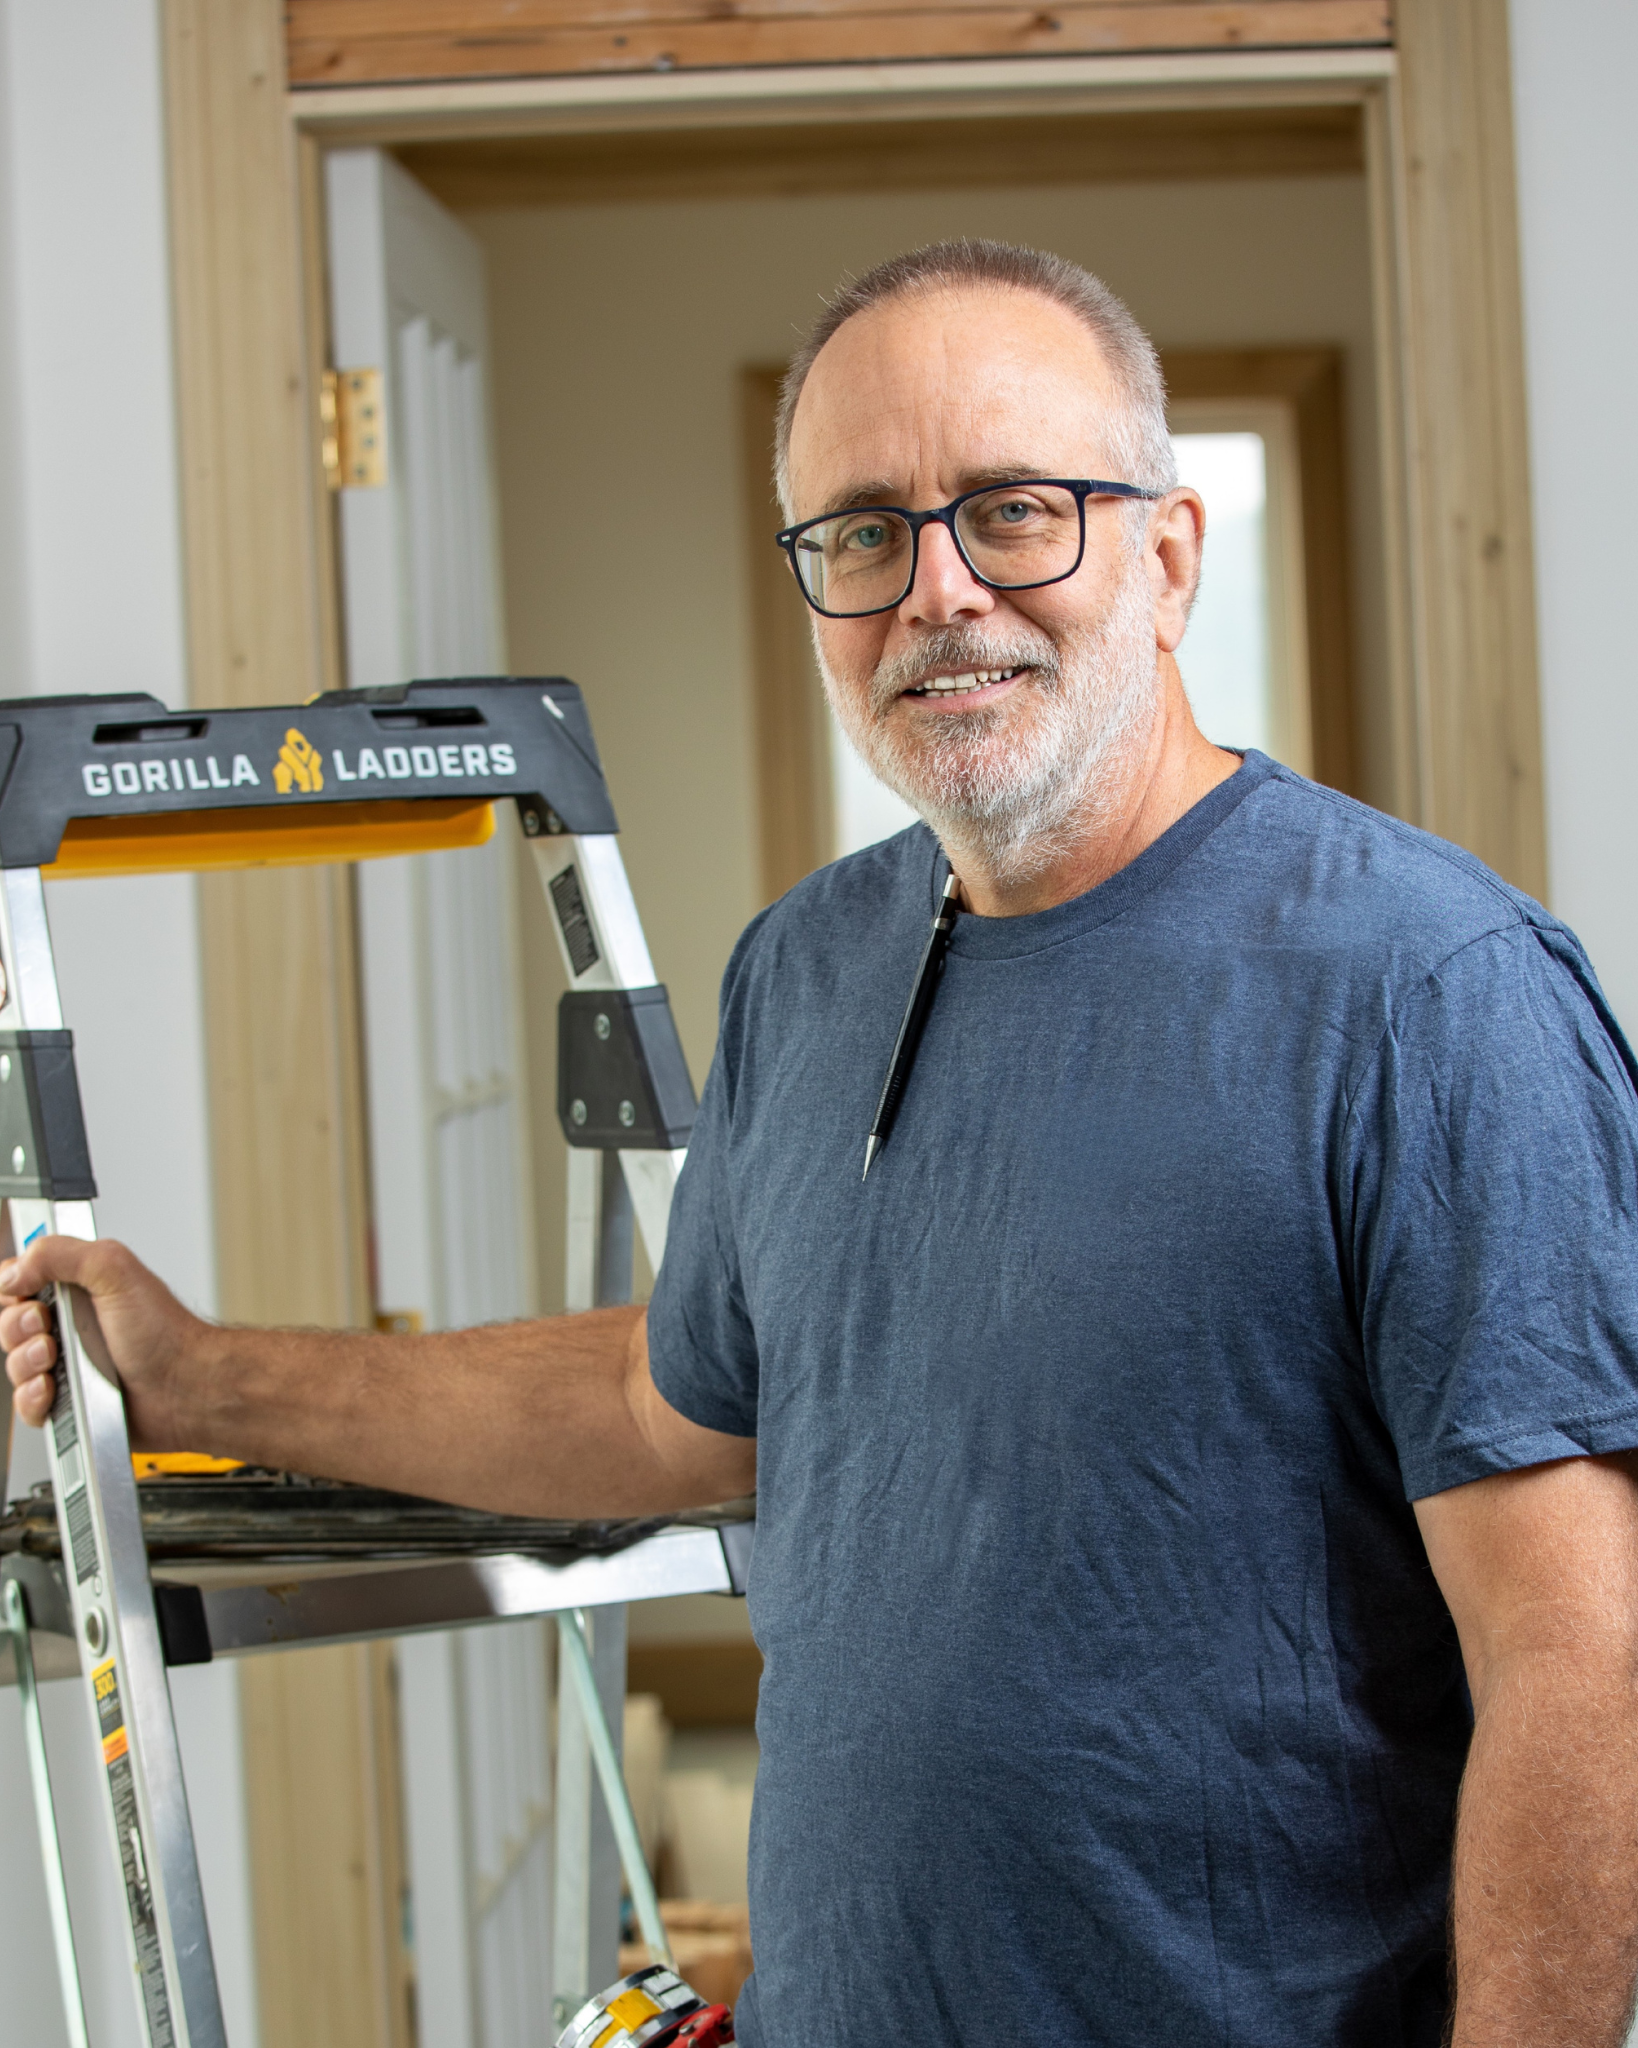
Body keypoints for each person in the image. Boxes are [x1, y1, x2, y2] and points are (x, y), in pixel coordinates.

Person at [7, 239, 1638, 2047]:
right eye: (861, 534)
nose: (937, 591)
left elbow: (1583, 1668)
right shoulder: (806, 966)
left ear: (1169, 558)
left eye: (1014, 512)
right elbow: (669, 1414)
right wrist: (202, 1374)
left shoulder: (1430, 993)